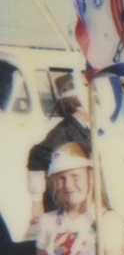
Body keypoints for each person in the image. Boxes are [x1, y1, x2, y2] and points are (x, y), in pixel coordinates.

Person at [27, 73, 91, 224]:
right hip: (66, 207)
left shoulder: (85, 130)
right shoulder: (62, 132)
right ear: (78, 103)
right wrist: (37, 202)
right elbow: (36, 158)